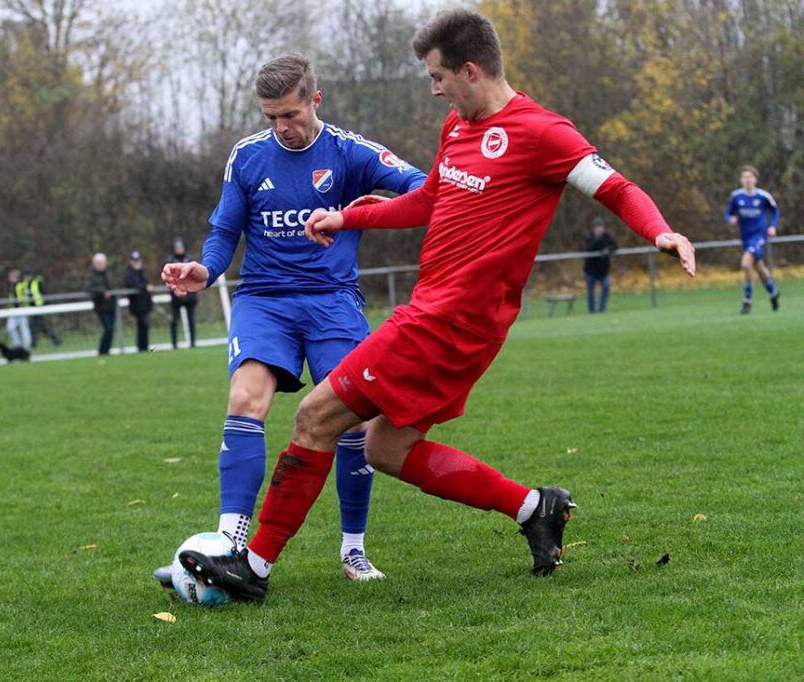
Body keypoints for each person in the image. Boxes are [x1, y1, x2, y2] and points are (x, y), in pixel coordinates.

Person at [178, 9, 696, 602]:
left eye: (437, 76)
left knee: (314, 417)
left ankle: (256, 566)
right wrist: (349, 215)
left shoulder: (543, 132)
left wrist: (660, 232)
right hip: (436, 315)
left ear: (470, 71)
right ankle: (533, 507)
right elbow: (427, 200)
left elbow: (616, 187)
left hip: (447, 324)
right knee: (385, 448)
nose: (434, 89)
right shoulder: (459, 126)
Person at [159, 53, 426, 585]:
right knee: (244, 399)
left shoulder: (350, 151)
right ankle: (229, 543)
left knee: (349, 422)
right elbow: (225, 233)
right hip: (264, 300)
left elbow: (423, 187)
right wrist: (205, 270)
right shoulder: (248, 157)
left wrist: (366, 208)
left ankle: (353, 550)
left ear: (314, 100)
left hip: (332, 300)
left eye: (290, 114)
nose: (282, 127)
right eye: (271, 117)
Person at [725, 165, 780, 314]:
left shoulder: (763, 196)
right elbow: (728, 213)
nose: (748, 180)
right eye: (745, 177)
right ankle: (773, 292)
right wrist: (731, 219)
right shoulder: (736, 196)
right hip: (746, 238)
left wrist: (773, 226)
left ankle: (747, 301)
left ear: (755, 179)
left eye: (750, 177)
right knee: (759, 268)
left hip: (760, 236)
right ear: (741, 180)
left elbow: (775, 210)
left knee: (745, 264)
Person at [165, 238, 198, 349]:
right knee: (174, 321)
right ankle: (174, 344)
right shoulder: (171, 261)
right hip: (176, 296)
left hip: (190, 295)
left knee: (191, 321)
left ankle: (193, 343)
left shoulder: (189, 259)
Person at [583, 216, 618, 313]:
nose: (600, 229)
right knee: (590, 291)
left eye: (601, 227)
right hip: (590, 270)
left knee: (606, 287)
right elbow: (589, 248)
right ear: (594, 228)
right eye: (598, 227)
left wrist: (607, 250)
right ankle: (591, 310)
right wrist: (597, 240)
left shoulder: (607, 237)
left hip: (603, 270)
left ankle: (602, 309)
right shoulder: (589, 237)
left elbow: (615, 246)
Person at [84, 253, 115, 356]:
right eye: (98, 263)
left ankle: (107, 351)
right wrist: (102, 293)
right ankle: (102, 351)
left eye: (102, 262)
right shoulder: (92, 275)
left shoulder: (108, 273)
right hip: (100, 306)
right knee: (108, 329)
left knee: (111, 330)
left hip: (111, 306)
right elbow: (88, 289)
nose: (101, 264)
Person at [124, 251, 154, 352]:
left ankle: (144, 347)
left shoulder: (142, 272)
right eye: (134, 260)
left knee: (144, 326)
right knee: (143, 324)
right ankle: (141, 347)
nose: (136, 262)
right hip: (136, 304)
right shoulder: (129, 273)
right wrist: (145, 287)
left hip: (145, 303)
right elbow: (132, 284)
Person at [25, 268, 62, 347]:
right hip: (33, 309)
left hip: (40, 308)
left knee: (34, 326)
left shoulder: (37, 283)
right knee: (43, 327)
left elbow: (44, 294)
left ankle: (33, 344)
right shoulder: (27, 284)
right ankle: (56, 340)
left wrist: (46, 305)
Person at [5, 268, 32, 355]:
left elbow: (21, 298)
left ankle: (26, 347)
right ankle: (18, 345)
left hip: (20, 310)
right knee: (10, 328)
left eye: (10, 277)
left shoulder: (19, 286)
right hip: (13, 311)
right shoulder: (13, 286)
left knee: (24, 329)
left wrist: (21, 306)